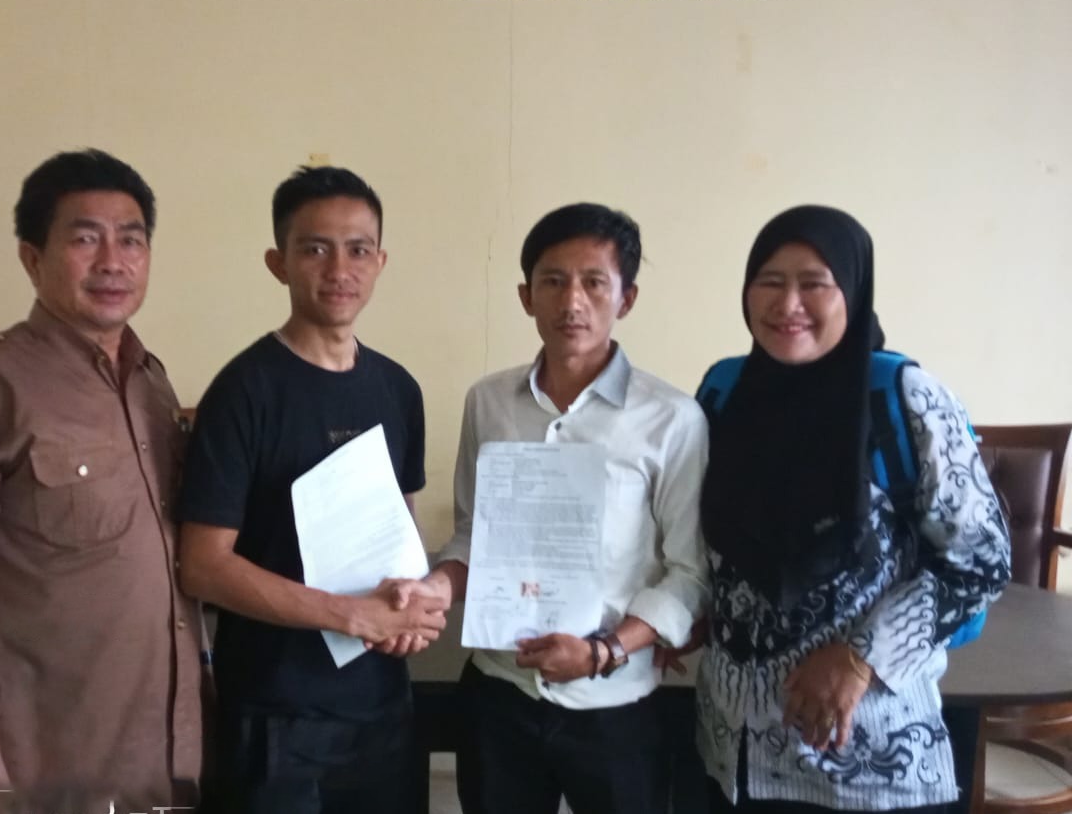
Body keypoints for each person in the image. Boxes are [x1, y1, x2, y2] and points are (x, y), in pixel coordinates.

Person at [0, 149, 203, 807]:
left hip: (165, 752)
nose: (113, 261)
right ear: (32, 258)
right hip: (49, 763)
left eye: (131, 239)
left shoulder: (151, 383)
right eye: (85, 238)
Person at [694, 205, 1011, 814]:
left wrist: (859, 658)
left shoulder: (904, 396)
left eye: (814, 284)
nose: (788, 303)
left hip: (869, 754)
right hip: (733, 747)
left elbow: (981, 563)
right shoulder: (723, 390)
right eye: (769, 281)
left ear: (854, 290)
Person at [417, 202, 710, 814]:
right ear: (526, 296)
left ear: (626, 298)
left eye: (594, 282)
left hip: (615, 704)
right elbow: (473, 532)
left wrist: (605, 651)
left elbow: (689, 573)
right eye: (552, 281)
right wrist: (440, 583)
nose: (571, 301)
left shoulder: (672, 419)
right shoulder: (488, 402)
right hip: (500, 692)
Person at [177, 166, 445, 814]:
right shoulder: (244, 391)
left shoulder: (397, 389)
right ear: (279, 262)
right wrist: (350, 614)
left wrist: (409, 608)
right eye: (315, 248)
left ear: (380, 262)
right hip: (276, 712)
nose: (339, 269)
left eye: (358, 249)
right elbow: (203, 565)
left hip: (382, 702)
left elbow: (399, 531)